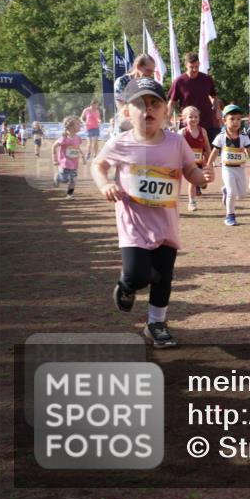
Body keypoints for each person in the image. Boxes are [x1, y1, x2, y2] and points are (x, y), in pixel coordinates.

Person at [93, 78, 214, 348]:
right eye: (139, 104)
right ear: (126, 111)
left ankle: (155, 324)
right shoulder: (120, 143)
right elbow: (99, 165)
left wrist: (201, 177)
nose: (147, 109)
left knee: (163, 277)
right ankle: (127, 284)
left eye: (154, 104)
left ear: (165, 111)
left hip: (166, 226)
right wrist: (105, 183)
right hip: (133, 225)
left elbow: (189, 170)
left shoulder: (175, 142)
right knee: (138, 275)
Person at [206, 105, 250, 226]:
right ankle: (230, 216)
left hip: (240, 169)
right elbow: (215, 152)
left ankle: (226, 191)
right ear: (224, 121)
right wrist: (209, 164)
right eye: (232, 118)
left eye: (238, 119)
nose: (236, 122)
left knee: (241, 195)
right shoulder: (220, 137)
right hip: (227, 169)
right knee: (232, 193)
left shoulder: (244, 137)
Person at [168, 52, 221, 143]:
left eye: (196, 66)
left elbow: (214, 97)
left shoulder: (207, 79)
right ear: (186, 65)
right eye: (191, 67)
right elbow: (172, 103)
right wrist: (166, 120)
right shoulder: (179, 82)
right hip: (187, 124)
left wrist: (217, 110)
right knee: (186, 153)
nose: (194, 69)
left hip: (207, 123)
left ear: (199, 64)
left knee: (208, 151)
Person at [178, 106, 211, 212]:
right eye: (190, 117)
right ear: (184, 119)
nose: (193, 119)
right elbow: (177, 148)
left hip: (200, 161)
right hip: (187, 162)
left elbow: (207, 146)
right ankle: (192, 202)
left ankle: (201, 183)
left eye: (196, 117)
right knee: (192, 182)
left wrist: (210, 160)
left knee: (204, 181)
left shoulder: (203, 131)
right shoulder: (182, 132)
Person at [52, 117, 84, 198]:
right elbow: (54, 146)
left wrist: (83, 156)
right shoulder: (64, 138)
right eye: (77, 124)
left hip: (74, 164)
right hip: (64, 164)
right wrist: (54, 159)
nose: (80, 125)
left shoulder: (78, 138)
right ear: (70, 127)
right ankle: (58, 177)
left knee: (74, 180)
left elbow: (77, 147)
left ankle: (70, 194)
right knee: (64, 180)